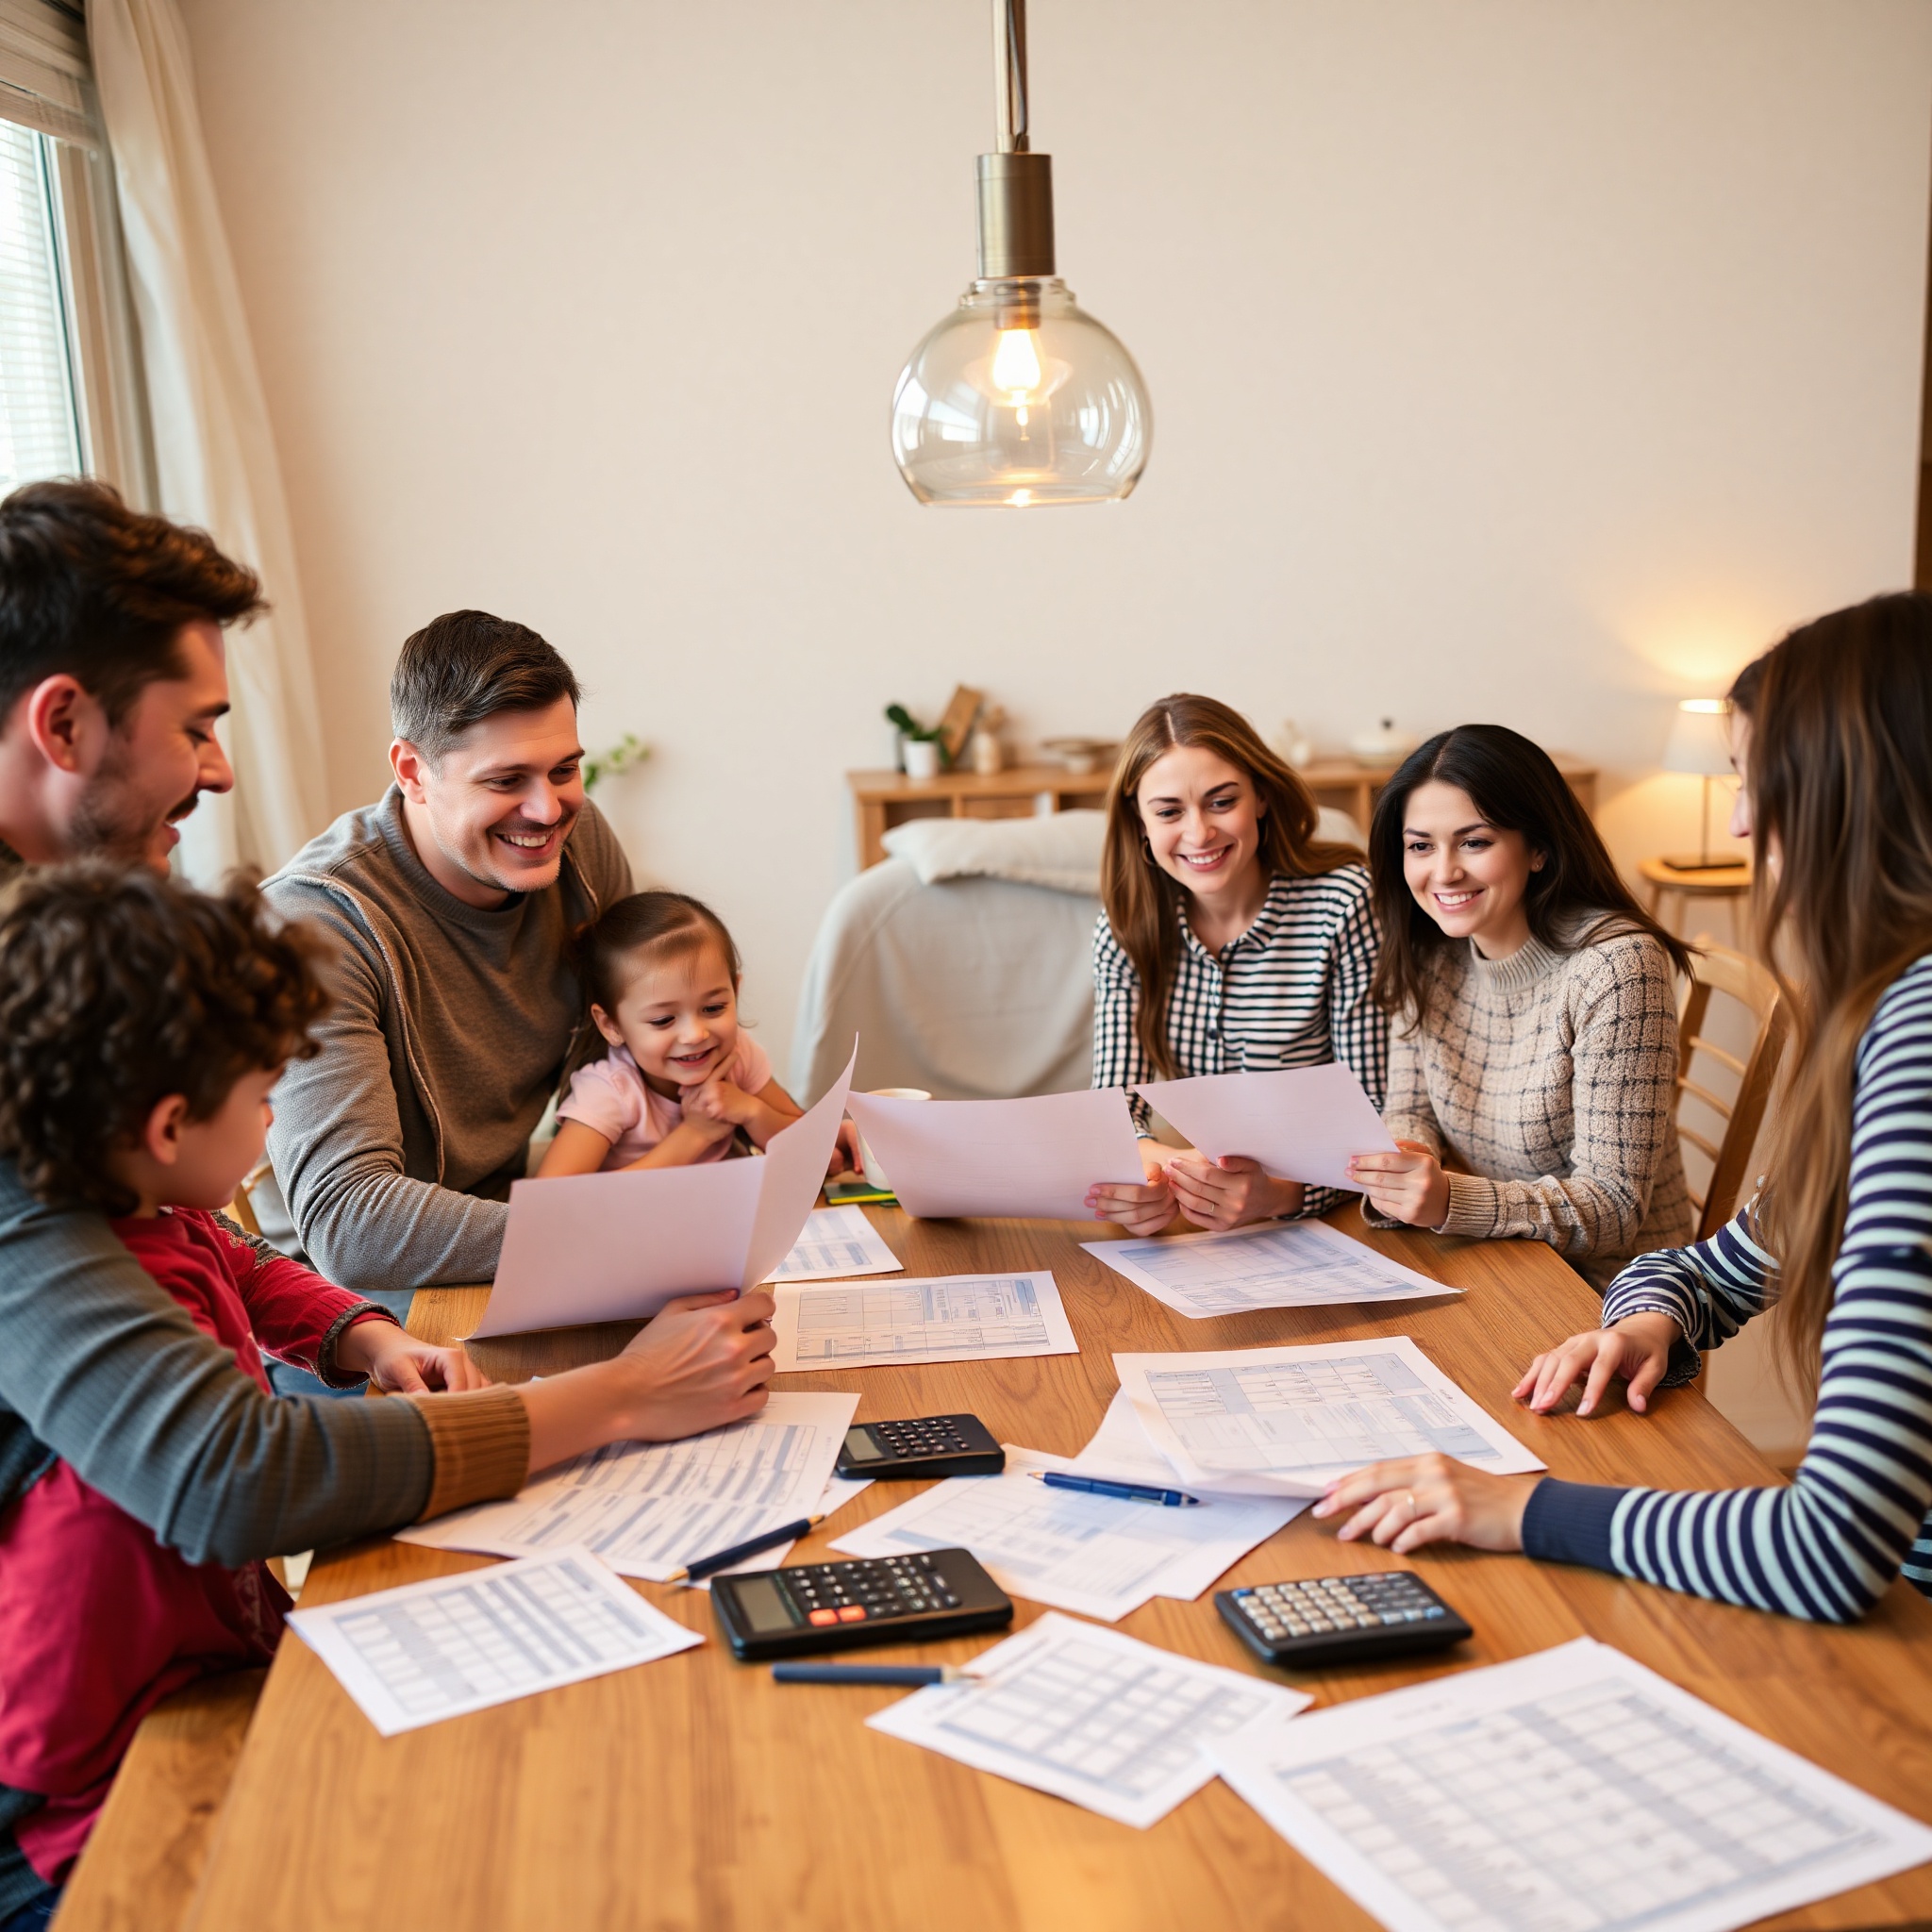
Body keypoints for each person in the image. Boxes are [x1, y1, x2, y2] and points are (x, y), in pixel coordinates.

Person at [0, 486, 775, 1930]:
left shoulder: (83, 954)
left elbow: (187, 1238)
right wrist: (613, 1392)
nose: (225, 773)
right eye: (199, 726)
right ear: (62, 726)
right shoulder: (101, 988)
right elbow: (231, 1461)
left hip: (197, 1596)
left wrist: (349, 1325)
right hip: (77, 1758)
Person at [1313, 594, 1932, 1622]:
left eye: (1754, 779)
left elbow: (1824, 1548)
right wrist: (1652, 1315)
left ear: (1856, 786)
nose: (1738, 819)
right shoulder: (1882, 1018)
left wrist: (1516, 1509)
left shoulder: (1911, 1033)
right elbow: (1718, 1261)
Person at [0, 866, 489, 1890]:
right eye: (265, 1099)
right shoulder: (104, 1284)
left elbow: (246, 1263)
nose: (274, 1124)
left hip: (216, 1633)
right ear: (170, 1124)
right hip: (103, 1737)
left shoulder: (152, 1206)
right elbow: (61, 1696)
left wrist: (368, 1336)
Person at [261, 609, 633, 1292]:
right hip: (336, 1317)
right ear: (413, 770)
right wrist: (615, 1231)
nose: (547, 811)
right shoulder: (314, 925)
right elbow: (351, 1224)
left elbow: (630, 1055)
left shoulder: (578, 851)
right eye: (505, 781)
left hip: (503, 1239)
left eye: (564, 770)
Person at [1344, 725, 1693, 1290]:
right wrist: (1408, 1154)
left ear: (1538, 848)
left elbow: (1614, 1208)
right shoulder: (1429, 949)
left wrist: (1450, 1198)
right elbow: (1411, 1107)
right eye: (1420, 846)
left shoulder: (1615, 967)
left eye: (1475, 842)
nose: (1444, 872)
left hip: (1611, 1293)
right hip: (1492, 1257)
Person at [1084, 693, 1385, 1237]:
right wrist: (1147, 1174)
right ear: (1141, 822)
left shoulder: (1343, 904)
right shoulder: (1127, 927)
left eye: (1221, 802)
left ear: (1262, 797)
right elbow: (1111, 1111)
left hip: (1337, 1218)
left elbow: (1377, 1118)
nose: (1199, 834)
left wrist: (1279, 1194)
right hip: (1202, 1219)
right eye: (1169, 811)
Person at [540, 891, 816, 1175]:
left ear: (735, 990)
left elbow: (816, 1150)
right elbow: (549, 1200)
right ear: (612, 1026)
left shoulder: (736, 1054)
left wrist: (753, 1112)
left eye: (713, 1008)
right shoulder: (611, 1091)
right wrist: (696, 1133)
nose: (695, 1034)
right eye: (663, 1020)